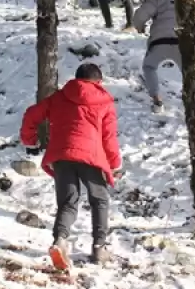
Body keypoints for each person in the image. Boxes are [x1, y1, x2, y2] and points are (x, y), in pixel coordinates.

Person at [20, 63, 122, 269]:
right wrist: (114, 164)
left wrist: (30, 139)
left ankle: (60, 241)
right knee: (99, 200)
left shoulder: (59, 97)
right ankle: (99, 247)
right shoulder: (104, 101)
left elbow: (32, 113)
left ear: (76, 79)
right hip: (91, 157)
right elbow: (109, 137)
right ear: (98, 82)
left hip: (62, 155)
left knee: (68, 202)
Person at [133, 0, 180, 114]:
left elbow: (139, 16)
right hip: (181, 44)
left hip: (159, 42)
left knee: (149, 67)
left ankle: (157, 99)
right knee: (190, 72)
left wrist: (140, 27)